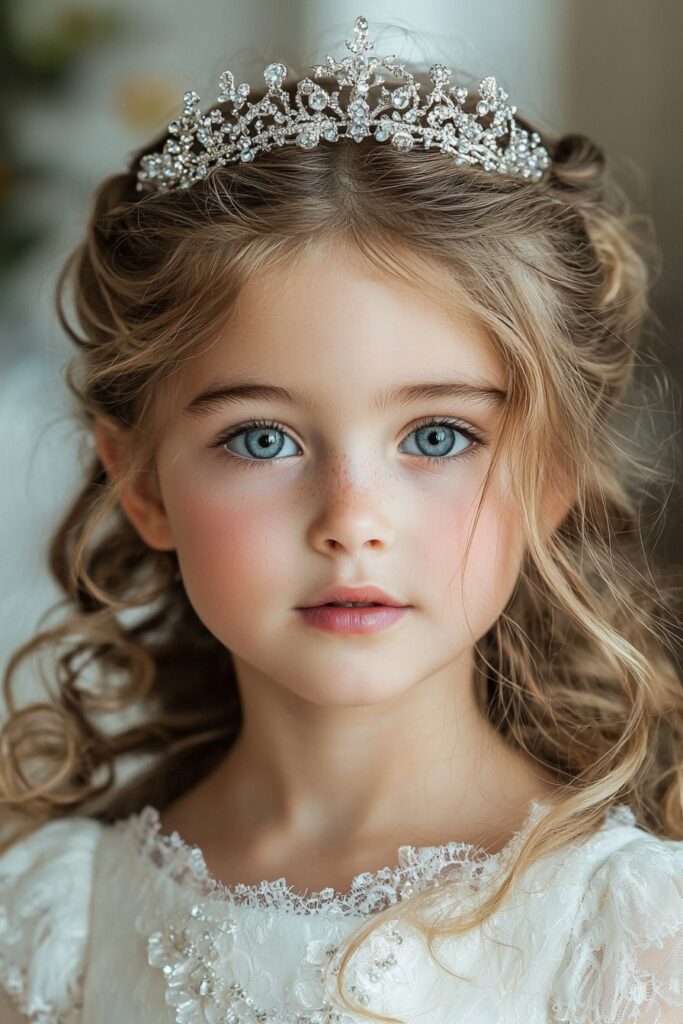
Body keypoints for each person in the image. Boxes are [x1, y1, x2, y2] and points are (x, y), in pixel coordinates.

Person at [0, 14, 681, 1024]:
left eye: (438, 437)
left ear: (549, 474)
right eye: (263, 440)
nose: (350, 522)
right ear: (138, 481)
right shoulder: (59, 920)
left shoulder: (627, 927)